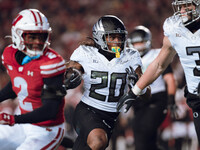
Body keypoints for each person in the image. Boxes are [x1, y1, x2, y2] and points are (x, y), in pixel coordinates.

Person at [117, 0, 200, 145]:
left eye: (187, 5)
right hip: (197, 98)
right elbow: (158, 65)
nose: (182, 11)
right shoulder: (174, 29)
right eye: (180, 6)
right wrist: (135, 91)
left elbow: (167, 76)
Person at [64, 15, 151, 150]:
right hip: (88, 110)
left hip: (112, 116)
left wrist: (139, 87)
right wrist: (72, 75)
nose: (117, 41)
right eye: (112, 37)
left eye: (120, 37)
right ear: (100, 37)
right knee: (98, 142)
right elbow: (71, 71)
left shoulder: (131, 56)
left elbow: (147, 95)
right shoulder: (85, 53)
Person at [0, 9, 69, 149]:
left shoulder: (52, 63)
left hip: (47, 129)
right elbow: (17, 84)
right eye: (32, 37)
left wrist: (14, 119)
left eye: (42, 37)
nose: (38, 42)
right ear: (17, 35)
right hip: (22, 123)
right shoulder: (9, 54)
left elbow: (50, 110)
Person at [127, 25, 178, 150]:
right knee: (140, 139)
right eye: (136, 42)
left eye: (141, 42)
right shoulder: (128, 58)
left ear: (148, 42)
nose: (138, 45)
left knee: (146, 130)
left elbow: (169, 78)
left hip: (156, 98)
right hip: (138, 101)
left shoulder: (157, 54)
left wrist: (171, 98)